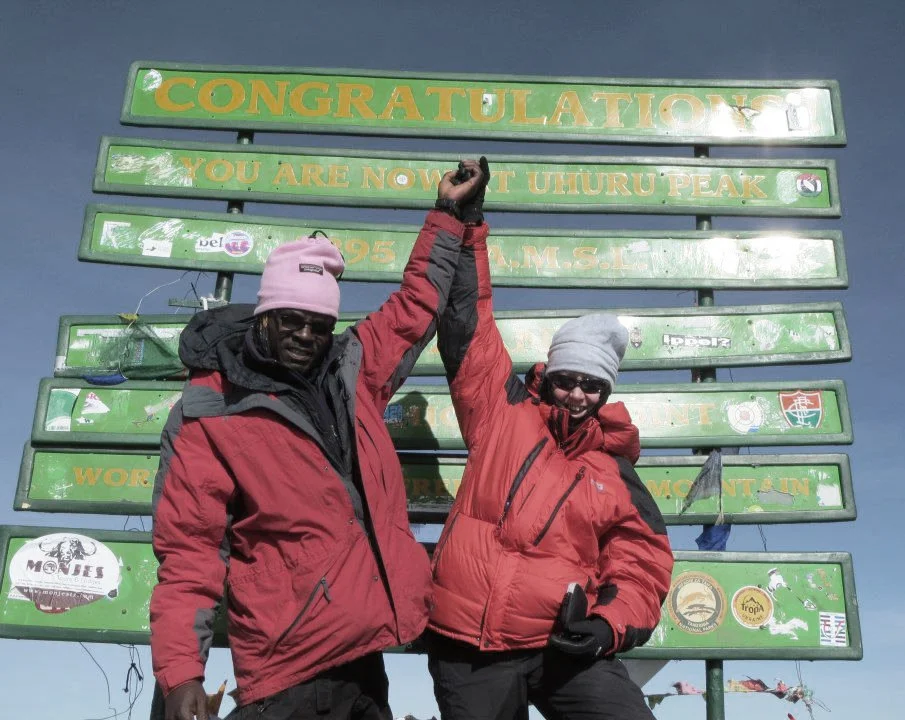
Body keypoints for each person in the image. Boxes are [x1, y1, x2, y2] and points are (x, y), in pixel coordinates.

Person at [149, 165, 485, 720]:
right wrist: (182, 674)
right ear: (265, 316)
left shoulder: (351, 372)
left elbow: (413, 309)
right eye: (292, 320)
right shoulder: (211, 411)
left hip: (362, 657)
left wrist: (448, 216)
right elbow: (190, 553)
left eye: (320, 324)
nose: (307, 336)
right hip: (286, 670)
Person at [426, 158, 675, 720]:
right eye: (568, 379)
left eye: (592, 385)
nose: (577, 395)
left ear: (604, 393)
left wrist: (605, 626)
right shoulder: (503, 412)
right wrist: (465, 224)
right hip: (472, 644)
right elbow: (468, 324)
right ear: (549, 374)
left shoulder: (616, 472)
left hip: (563, 645)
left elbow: (641, 563)